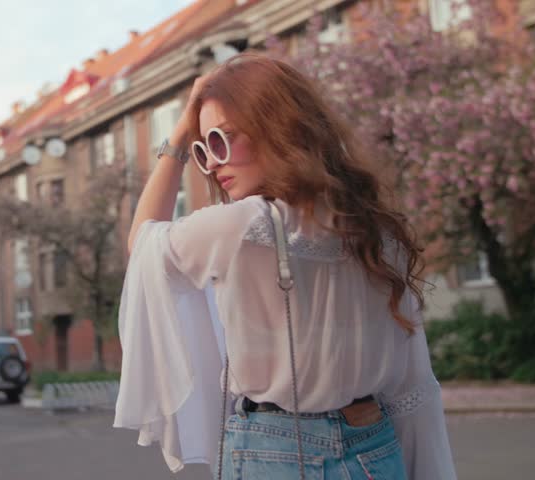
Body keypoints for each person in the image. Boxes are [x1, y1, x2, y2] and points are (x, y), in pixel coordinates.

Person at [113, 53, 457, 480]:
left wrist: (180, 138)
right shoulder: (375, 230)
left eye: (220, 139)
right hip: (377, 450)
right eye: (201, 150)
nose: (212, 162)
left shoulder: (241, 225)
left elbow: (142, 242)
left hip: (276, 450)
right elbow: (412, 390)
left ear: (273, 127)